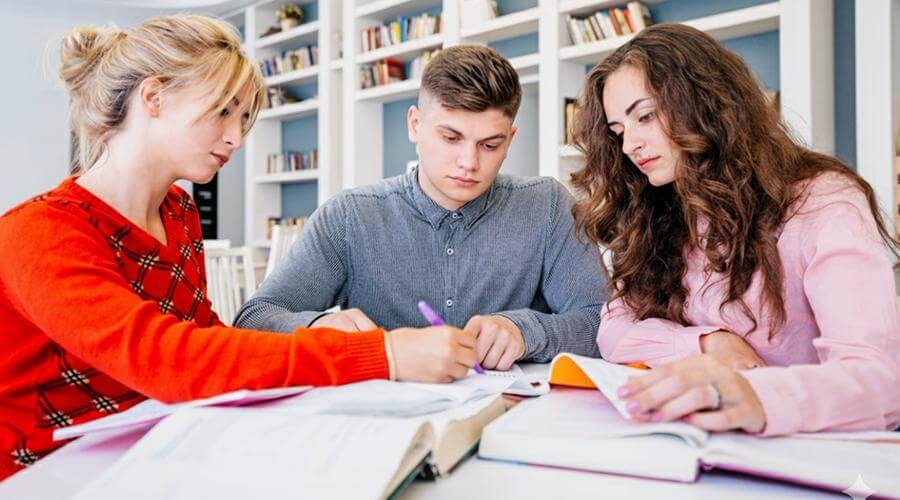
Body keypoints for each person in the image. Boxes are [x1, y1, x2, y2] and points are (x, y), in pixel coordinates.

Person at [0, 15, 476, 480]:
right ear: (154, 97)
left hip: (155, 451)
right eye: (224, 110)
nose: (236, 136)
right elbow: (172, 360)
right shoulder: (39, 231)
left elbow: (210, 337)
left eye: (244, 117)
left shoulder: (179, 212)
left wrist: (322, 330)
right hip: (42, 474)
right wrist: (383, 354)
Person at [571, 23, 900, 436]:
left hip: (813, 448)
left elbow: (880, 383)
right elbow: (615, 328)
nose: (629, 145)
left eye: (646, 116)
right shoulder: (662, 208)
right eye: (619, 131)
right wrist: (707, 344)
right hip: (705, 442)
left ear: (706, 102)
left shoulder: (823, 201)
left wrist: (756, 394)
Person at [235, 45, 608, 370]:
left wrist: (528, 332)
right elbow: (253, 320)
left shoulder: (546, 207)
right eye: (450, 137)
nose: (468, 162)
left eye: (490, 145)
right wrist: (317, 328)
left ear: (510, 139)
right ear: (415, 125)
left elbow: (602, 323)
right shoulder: (351, 216)